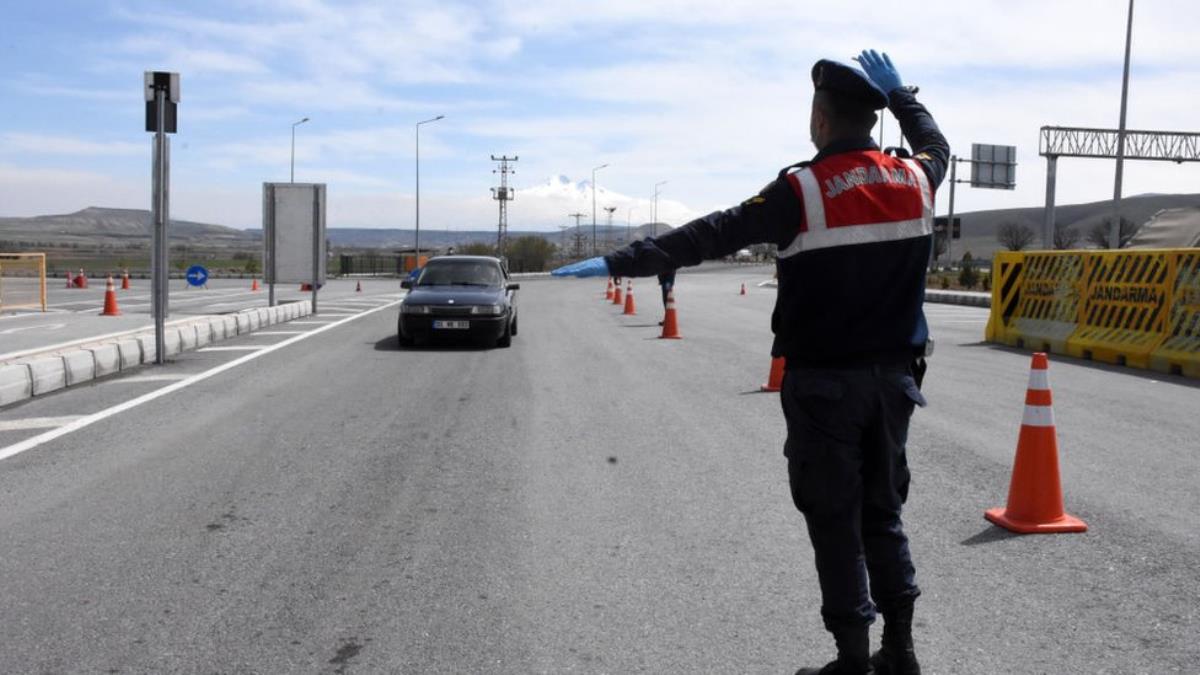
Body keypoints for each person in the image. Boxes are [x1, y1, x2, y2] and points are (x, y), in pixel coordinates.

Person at [552, 49, 947, 675]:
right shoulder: (917, 178)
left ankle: (852, 658)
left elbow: (710, 233)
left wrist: (618, 261)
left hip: (825, 389)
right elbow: (934, 142)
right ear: (872, 120)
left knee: (834, 520)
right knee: (884, 514)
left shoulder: (803, 190)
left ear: (820, 118)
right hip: (897, 384)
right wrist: (904, 96)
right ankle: (900, 651)